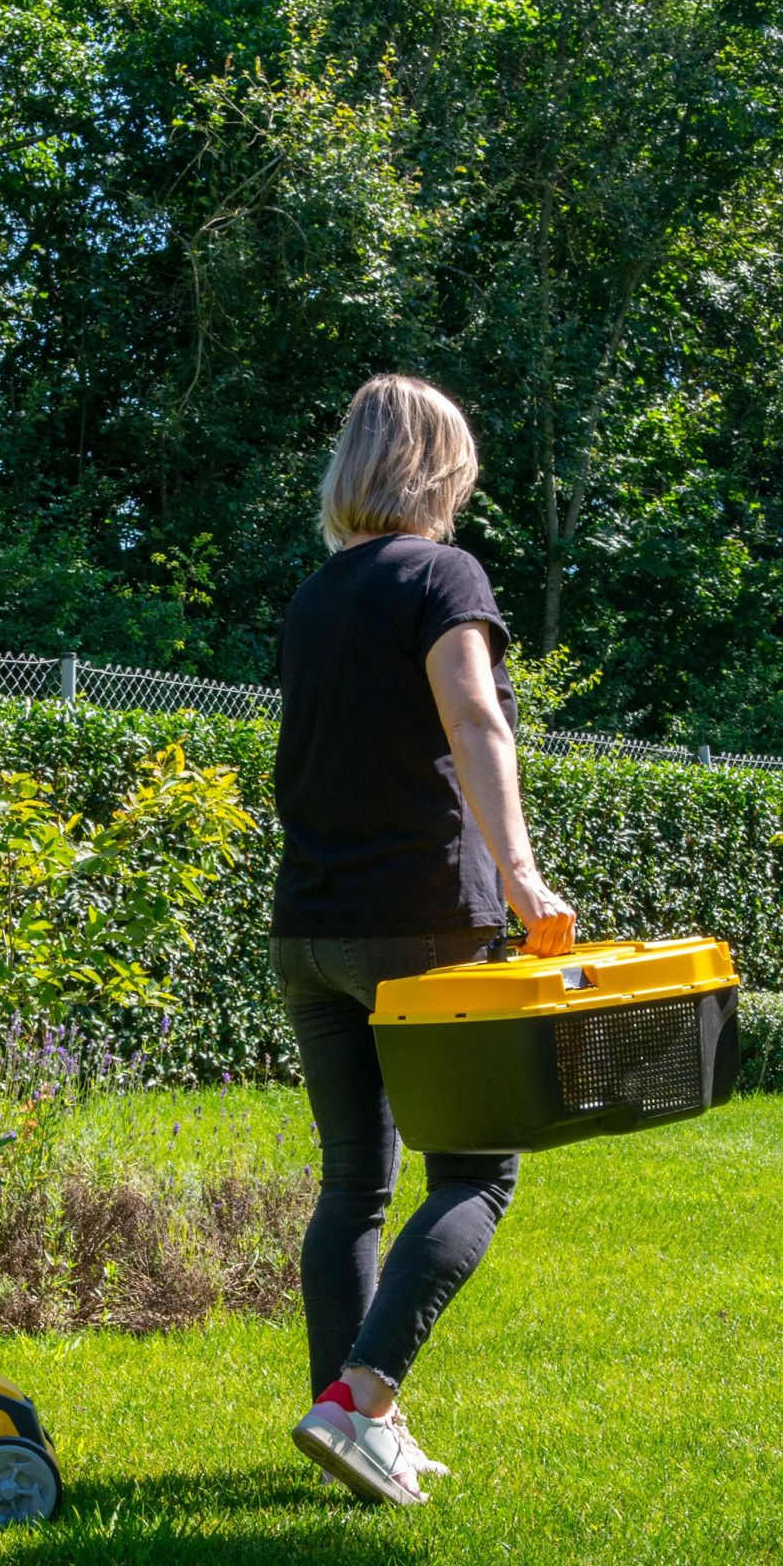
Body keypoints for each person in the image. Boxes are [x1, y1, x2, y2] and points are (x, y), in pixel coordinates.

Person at [273, 373, 575, 1507]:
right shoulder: (444, 575)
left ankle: (350, 1424)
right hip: (423, 924)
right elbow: (474, 714)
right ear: (441, 471)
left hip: (310, 929)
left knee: (353, 1182)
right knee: (478, 1175)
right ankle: (362, 1401)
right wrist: (524, 876)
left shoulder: (313, 598)